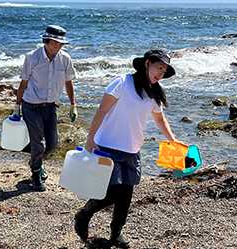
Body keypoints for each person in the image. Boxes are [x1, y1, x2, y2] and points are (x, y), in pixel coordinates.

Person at [74, 49, 180, 248]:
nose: (161, 74)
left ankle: (116, 234)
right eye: (159, 68)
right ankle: (84, 214)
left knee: (126, 195)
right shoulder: (122, 82)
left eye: (164, 71)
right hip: (107, 146)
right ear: (147, 63)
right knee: (113, 193)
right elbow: (102, 110)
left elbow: (159, 118)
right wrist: (90, 138)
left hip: (132, 150)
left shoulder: (154, 93)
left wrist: (173, 140)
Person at [15, 25, 77, 192]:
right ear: (46, 41)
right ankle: (36, 174)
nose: (58, 46)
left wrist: (73, 105)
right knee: (38, 142)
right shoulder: (32, 57)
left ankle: (36, 162)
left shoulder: (65, 59)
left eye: (61, 43)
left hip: (50, 107)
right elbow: (24, 83)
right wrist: (17, 106)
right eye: (55, 42)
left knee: (52, 144)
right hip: (31, 106)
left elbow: (68, 82)